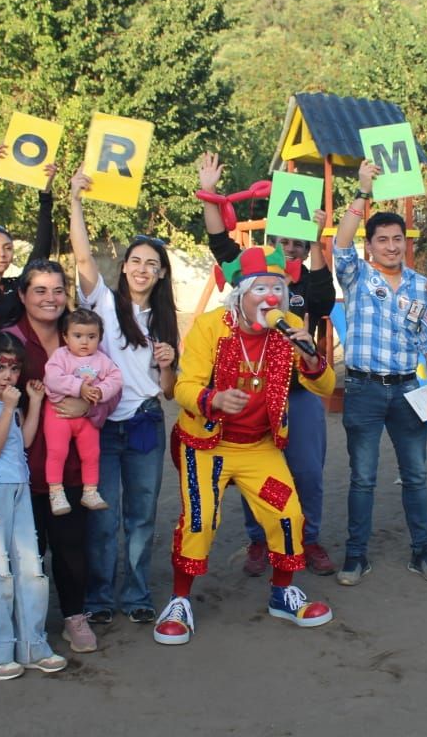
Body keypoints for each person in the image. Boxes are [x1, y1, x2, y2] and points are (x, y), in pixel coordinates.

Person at [152, 246, 336, 645]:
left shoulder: (288, 328)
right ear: (240, 295)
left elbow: (324, 386)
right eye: (262, 289)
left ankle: (282, 593)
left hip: (258, 446)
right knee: (201, 521)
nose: (272, 298)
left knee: (288, 513)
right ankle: (179, 600)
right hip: (207, 444)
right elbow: (183, 386)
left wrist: (309, 356)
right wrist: (213, 399)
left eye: (278, 289)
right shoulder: (209, 325)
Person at [197, 151, 337, 576]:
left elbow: (324, 299)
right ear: (270, 243)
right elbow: (220, 243)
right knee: (253, 468)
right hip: (256, 391)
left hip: (300, 391)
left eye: (297, 243)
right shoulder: (250, 276)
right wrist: (210, 194)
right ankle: (260, 541)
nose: (289, 249)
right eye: (283, 241)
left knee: (308, 472)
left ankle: (308, 539)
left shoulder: (307, 283)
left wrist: (315, 239)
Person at [0, 260, 102, 655]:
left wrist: (89, 410)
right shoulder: (6, 341)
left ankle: (75, 616)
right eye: (39, 290)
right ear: (22, 295)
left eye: (57, 290)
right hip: (16, 466)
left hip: (70, 465)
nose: (50, 298)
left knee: (72, 546)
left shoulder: (80, 338)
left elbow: (105, 391)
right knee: (22, 551)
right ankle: (22, 625)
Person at [70, 172, 179, 626]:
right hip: (100, 424)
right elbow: (80, 253)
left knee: (141, 515)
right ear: (125, 265)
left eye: (151, 263)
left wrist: (169, 362)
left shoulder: (166, 321)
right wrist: (74, 198)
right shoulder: (103, 303)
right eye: (135, 260)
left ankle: (135, 593)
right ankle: (97, 599)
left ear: (161, 272)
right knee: (100, 518)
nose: (141, 268)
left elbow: (170, 390)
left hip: (146, 423)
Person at [333, 160, 427, 586]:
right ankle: (355, 555)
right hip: (363, 389)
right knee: (362, 478)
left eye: (398, 239)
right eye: (382, 240)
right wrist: (363, 192)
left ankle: (423, 552)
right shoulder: (357, 275)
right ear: (371, 246)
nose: (391, 246)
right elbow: (340, 245)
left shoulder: (422, 285)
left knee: (415, 476)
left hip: (407, 391)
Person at [0, 332, 67, 679]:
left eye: (13, 368)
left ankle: (32, 644)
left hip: (17, 487)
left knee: (30, 568)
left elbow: (24, 442)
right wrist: (8, 408)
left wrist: (32, 404)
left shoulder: (13, 406)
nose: (7, 376)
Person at [0, 142, 58, 329]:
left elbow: (41, 248)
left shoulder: (17, 288)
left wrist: (45, 193)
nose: (1, 254)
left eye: (8, 248)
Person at [42, 308, 122, 515]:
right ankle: (56, 492)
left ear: (100, 338)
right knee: (57, 451)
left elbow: (116, 379)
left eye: (91, 337)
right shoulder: (60, 356)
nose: (84, 342)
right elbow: (52, 378)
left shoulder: (102, 360)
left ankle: (90, 491)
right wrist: (79, 388)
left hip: (87, 416)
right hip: (59, 412)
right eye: (78, 336)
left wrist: (100, 391)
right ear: (66, 337)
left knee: (92, 453)